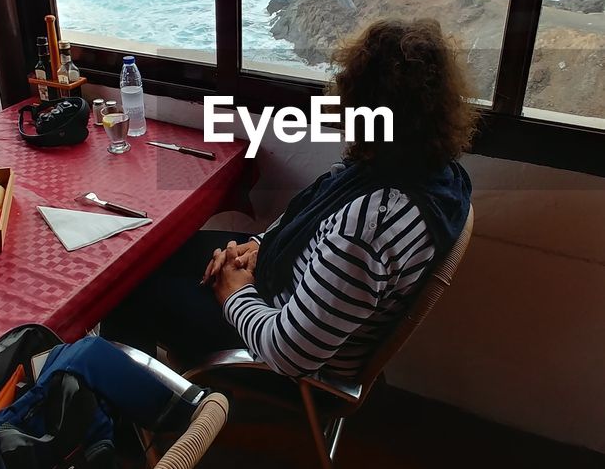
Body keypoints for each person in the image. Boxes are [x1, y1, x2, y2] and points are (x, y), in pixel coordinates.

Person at [102, 20, 476, 380]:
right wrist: (260, 246)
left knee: (125, 286)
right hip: (289, 284)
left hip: (276, 349)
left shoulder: (368, 226)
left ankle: (139, 419)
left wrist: (234, 292)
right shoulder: (427, 171)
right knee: (152, 253)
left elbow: (290, 353)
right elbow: (312, 224)